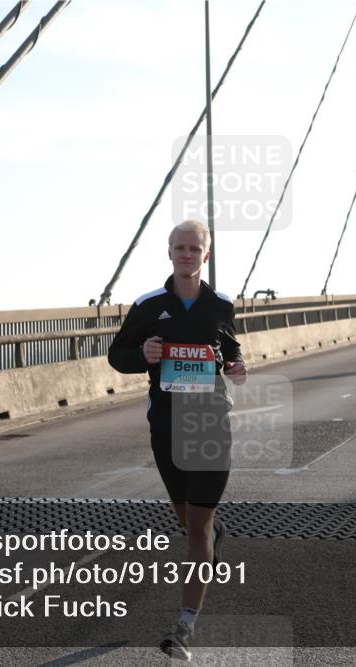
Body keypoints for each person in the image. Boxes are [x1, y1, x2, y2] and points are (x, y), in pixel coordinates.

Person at [107, 219, 247, 661]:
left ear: (206, 254)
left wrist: (237, 367)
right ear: (169, 253)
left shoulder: (221, 305)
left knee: (198, 529)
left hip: (210, 427)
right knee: (189, 523)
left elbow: (231, 349)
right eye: (179, 248)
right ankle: (209, 537)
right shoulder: (149, 306)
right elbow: (117, 356)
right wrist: (142, 356)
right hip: (166, 428)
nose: (187, 254)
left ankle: (184, 626)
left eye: (195, 248)